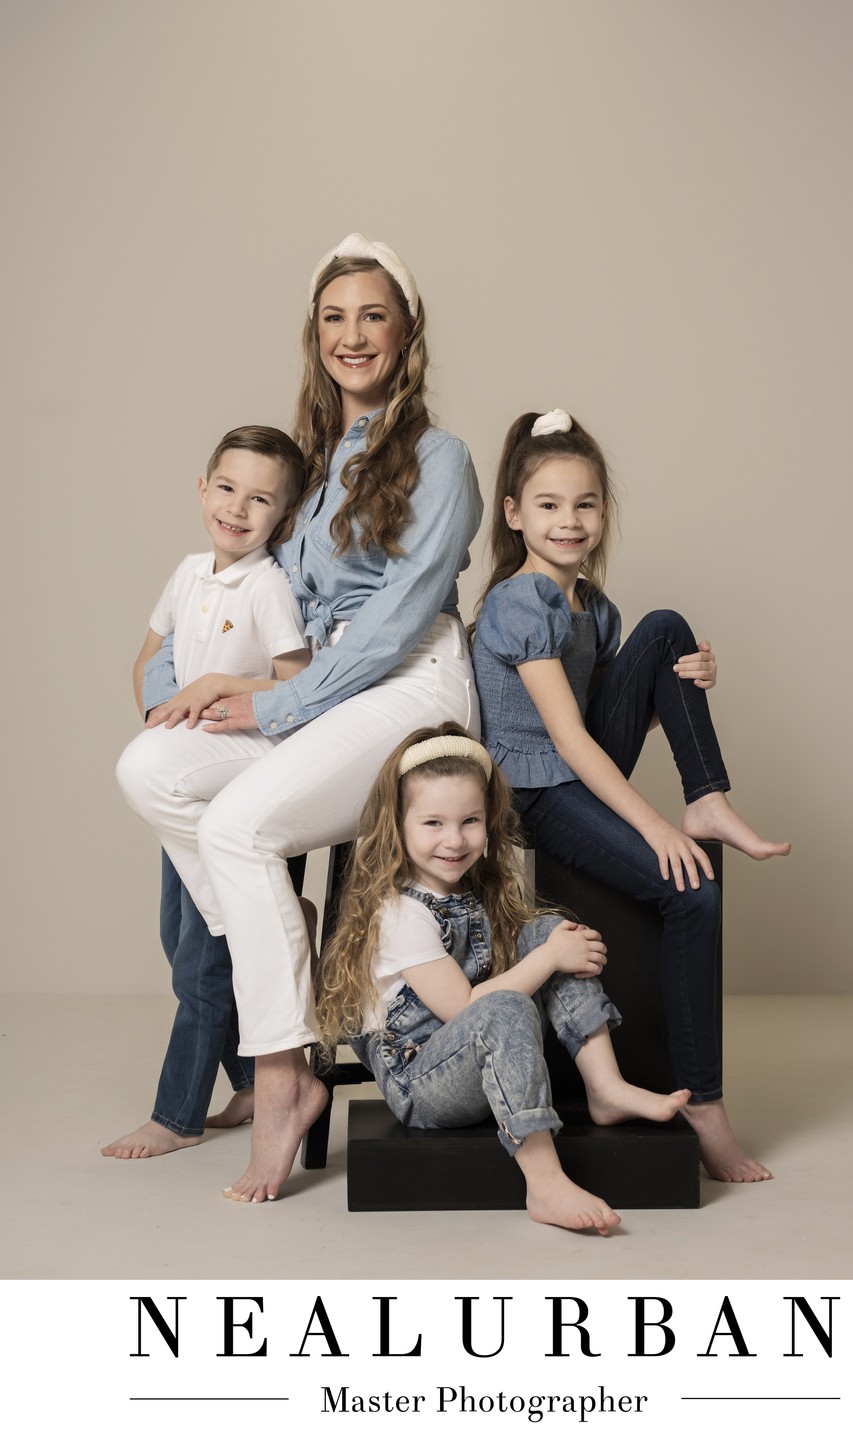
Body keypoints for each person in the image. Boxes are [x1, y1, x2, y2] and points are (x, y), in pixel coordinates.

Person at [136, 234, 483, 1201]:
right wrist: (178, 674)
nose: (352, 334)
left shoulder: (441, 458)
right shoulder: (315, 464)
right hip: (326, 693)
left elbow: (397, 622)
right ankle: (275, 929)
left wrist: (276, 701)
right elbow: (247, 582)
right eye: (334, 316)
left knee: (237, 823)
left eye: (373, 314)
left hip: (410, 687)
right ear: (314, 335)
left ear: (407, 331)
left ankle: (284, 1072)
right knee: (153, 767)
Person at [472, 408, 791, 1183]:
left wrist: (679, 682)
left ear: (602, 511)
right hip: (533, 790)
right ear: (514, 515)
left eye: (584, 504)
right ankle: (703, 1103)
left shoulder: (592, 605)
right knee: (694, 892)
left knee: (667, 631)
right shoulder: (519, 603)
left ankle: (706, 797)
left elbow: (610, 717)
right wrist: (653, 827)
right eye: (547, 505)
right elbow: (568, 739)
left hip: (572, 762)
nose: (568, 521)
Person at [317, 724, 691, 1235]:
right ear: (396, 826)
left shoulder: (464, 891)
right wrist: (551, 960)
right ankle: (544, 1180)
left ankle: (605, 1086)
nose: (455, 839)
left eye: (470, 820)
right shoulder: (400, 914)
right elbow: (464, 1007)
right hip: (422, 1086)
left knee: (545, 932)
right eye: (432, 823)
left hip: (467, 1055)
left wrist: (553, 947)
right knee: (512, 997)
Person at [104, 425, 312, 1159]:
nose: (237, 508)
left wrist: (220, 690)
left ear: (281, 517)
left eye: (260, 499)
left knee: (204, 958)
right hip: (189, 779)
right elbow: (149, 657)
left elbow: (298, 685)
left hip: (247, 776)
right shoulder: (189, 572)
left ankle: (176, 1113)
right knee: (180, 939)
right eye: (226, 488)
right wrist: (162, 719)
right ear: (202, 489)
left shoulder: (267, 586)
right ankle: (255, 1078)